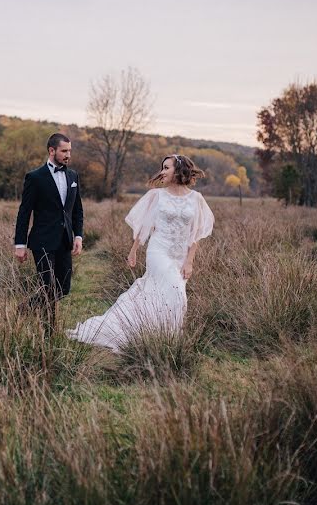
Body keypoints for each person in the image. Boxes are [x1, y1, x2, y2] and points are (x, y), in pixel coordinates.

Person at [68, 154, 214, 352]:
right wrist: (134, 251)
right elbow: (145, 225)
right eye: (162, 168)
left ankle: (161, 337)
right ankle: (160, 335)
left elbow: (195, 233)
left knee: (162, 294)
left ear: (179, 170)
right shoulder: (157, 195)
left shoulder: (196, 199)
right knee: (176, 292)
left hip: (180, 255)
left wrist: (190, 261)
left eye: (167, 168)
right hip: (159, 250)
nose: (162, 172)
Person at [13, 133, 84, 329]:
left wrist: (78, 236)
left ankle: (24, 309)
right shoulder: (35, 177)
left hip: (65, 241)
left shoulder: (73, 176)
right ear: (51, 151)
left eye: (69, 150)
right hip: (42, 241)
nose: (68, 155)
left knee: (63, 288)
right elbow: (24, 212)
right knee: (49, 287)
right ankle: (48, 334)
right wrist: (20, 244)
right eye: (64, 151)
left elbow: (77, 209)